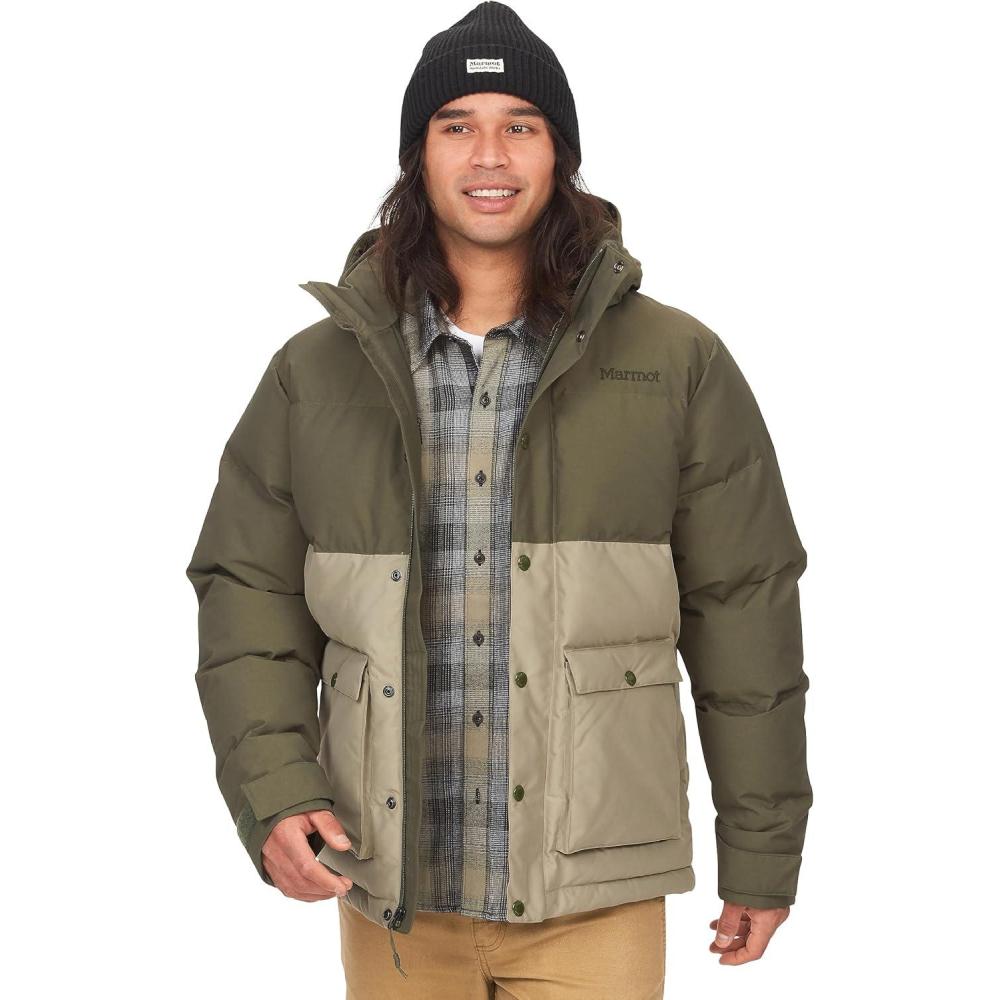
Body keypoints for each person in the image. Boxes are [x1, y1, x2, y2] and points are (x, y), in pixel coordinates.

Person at [185, 2, 813, 996]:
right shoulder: (317, 373)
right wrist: (273, 791)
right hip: (390, 885)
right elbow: (247, 591)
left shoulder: (676, 362)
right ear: (417, 155)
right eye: (457, 125)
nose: (489, 154)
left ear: (560, 155)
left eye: (520, 124)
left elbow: (745, 611)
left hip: (594, 889)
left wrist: (763, 852)